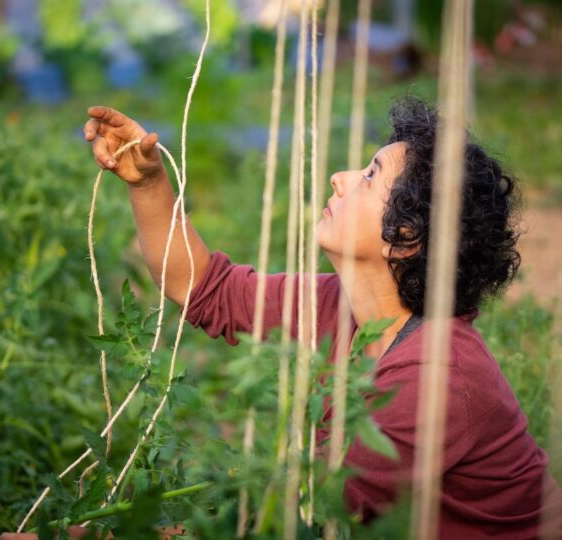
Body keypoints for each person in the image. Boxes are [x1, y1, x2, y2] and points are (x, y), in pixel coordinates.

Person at [83, 97, 561, 538]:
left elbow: (291, 521)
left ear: (407, 234)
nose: (340, 176)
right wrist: (149, 183)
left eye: (370, 175)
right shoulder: (342, 306)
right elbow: (206, 290)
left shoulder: (437, 378)